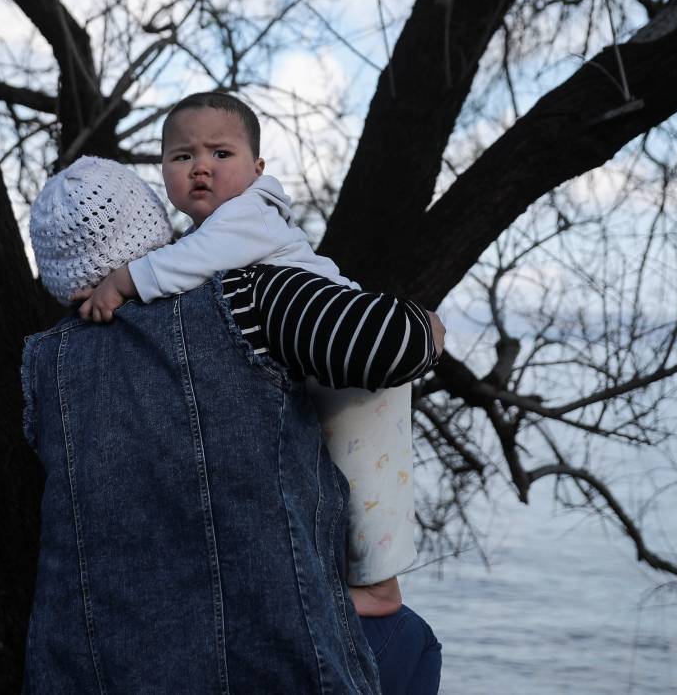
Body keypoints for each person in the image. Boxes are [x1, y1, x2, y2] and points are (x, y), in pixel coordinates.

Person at [25, 156, 442, 694]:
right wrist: (428, 327)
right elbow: (392, 344)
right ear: (155, 228)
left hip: (96, 674)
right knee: (408, 639)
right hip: (269, 661)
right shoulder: (245, 299)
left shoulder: (40, 369)